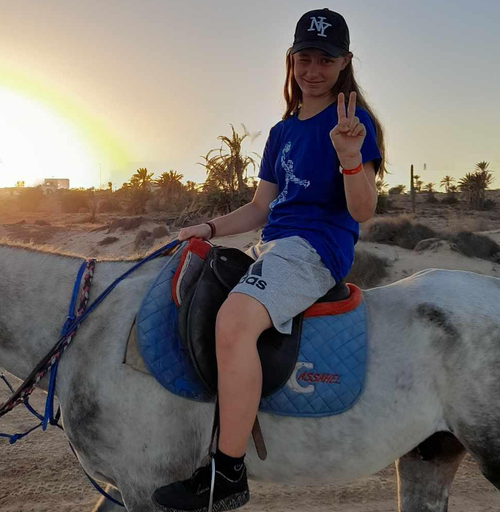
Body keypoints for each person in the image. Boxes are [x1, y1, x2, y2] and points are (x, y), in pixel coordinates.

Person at [153, 8, 385, 512]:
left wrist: (349, 155)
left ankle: (227, 473)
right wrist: (210, 228)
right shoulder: (282, 132)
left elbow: (362, 211)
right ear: (291, 60)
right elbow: (261, 207)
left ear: (344, 63)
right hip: (273, 246)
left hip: (314, 251)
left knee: (235, 322)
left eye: (326, 59)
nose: (314, 69)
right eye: (305, 57)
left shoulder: (351, 123)